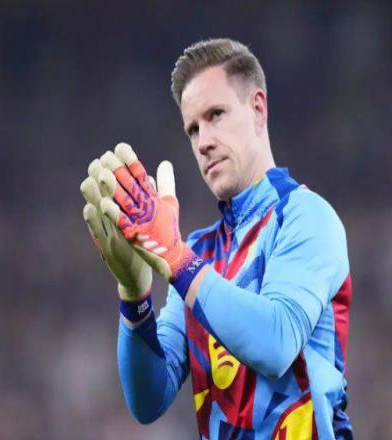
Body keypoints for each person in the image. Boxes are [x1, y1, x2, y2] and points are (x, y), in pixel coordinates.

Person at [80, 38, 352, 439]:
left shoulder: (307, 217)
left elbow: (277, 343)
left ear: (257, 109)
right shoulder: (200, 251)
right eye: (193, 129)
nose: (203, 141)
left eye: (216, 115)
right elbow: (148, 399)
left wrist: (176, 259)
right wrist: (134, 295)